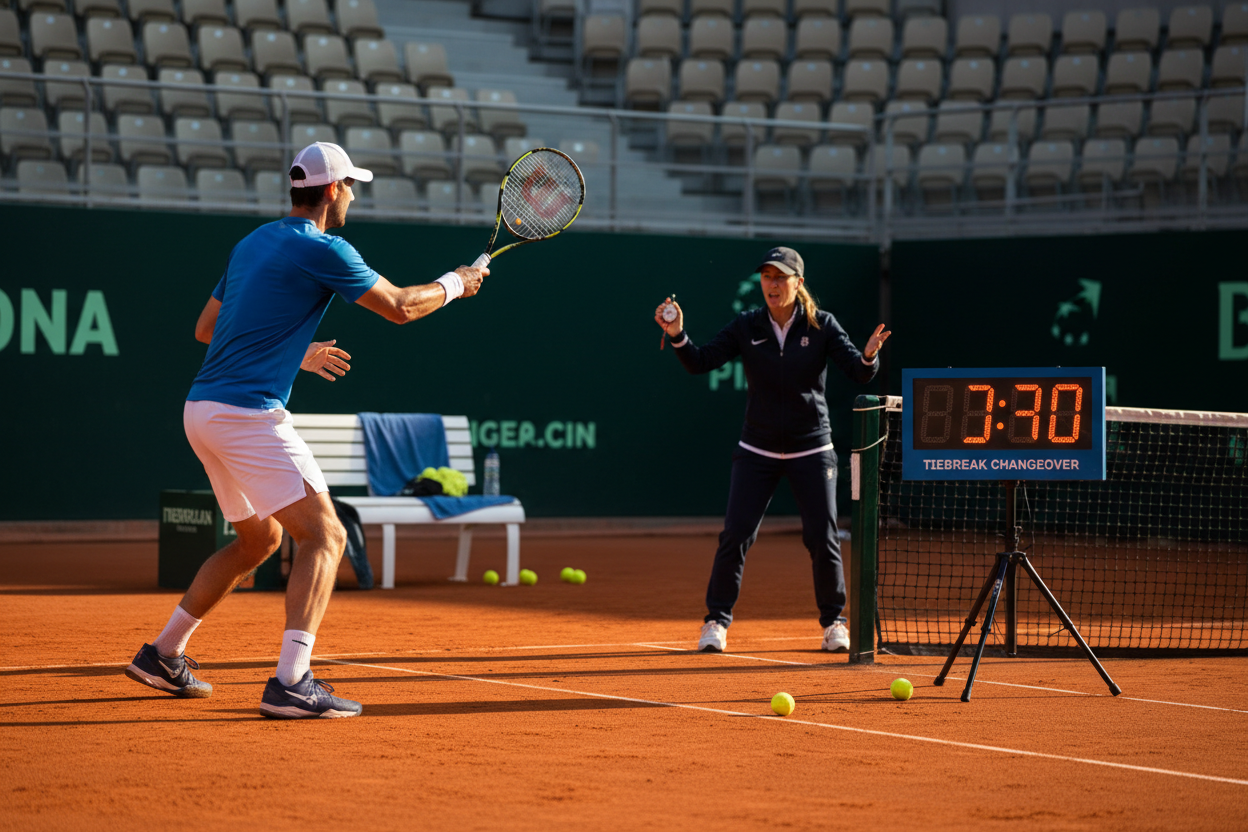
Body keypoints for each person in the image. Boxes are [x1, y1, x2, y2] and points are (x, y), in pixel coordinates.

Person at [125, 142, 488, 718]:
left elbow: (206, 330)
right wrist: (456, 283)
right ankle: (292, 682)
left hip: (202, 410)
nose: (353, 195)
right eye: (350, 185)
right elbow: (398, 307)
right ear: (331, 191)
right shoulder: (324, 248)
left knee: (261, 541)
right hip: (246, 413)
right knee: (326, 536)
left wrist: (296, 351)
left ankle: (162, 654)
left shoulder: (252, 243)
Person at [654, 246, 890, 654]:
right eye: (767, 277)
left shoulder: (822, 326)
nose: (773, 285)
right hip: (757, 449)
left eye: (781, 277)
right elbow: (701, 360)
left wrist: (869, 356)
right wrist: (677, 335)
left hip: (811, 448)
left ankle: (834, 622)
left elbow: (857, 370)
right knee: (736, 535)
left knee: (823, 538)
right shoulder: (747, 326)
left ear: (798, 283)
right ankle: (716, 621)